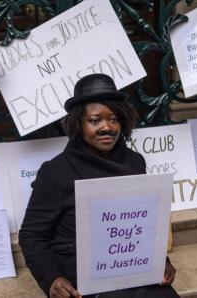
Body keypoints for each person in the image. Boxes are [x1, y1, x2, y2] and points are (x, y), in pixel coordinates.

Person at [19, 73, 179, 298]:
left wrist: (161, 262)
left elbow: (142, 226)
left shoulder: (135, 161)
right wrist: (51, 278)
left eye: (114, 119)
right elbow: (31, 235)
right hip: (84, 274)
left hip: (131, 265)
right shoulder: (56, 172)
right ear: (78, 124)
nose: (107, 127)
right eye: (95, 121)